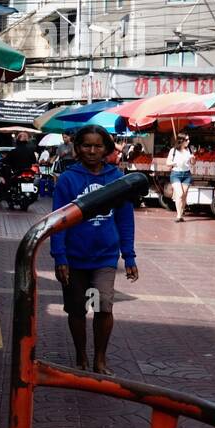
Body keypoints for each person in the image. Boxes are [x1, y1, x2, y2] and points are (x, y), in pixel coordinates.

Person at [51, 124, 138, 376]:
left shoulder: (117, 180)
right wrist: (60, 257)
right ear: (77, 148)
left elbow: (125, 219)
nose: (92, 150)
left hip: (105, 258)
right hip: (74, 257)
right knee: (77, 309)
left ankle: (100, 358)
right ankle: (80, 356)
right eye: (86, 145)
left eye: (98, 146)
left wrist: (129, 254)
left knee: (103, 306)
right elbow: (58, 221)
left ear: (107, 149)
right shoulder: (68, 179)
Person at [167, 134, 194, 223]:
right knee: (180, 194)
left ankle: (181, 215)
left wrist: (193, 158)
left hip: (187, 174)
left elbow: (192, 163)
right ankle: (178, 216)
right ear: (181, 140)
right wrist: (175, 162)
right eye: (186, 140)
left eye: (188, 139)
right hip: (176, 174)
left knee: (184, 196)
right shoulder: (173, 150)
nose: (188, 141)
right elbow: (168, 163)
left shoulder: (189, 150)